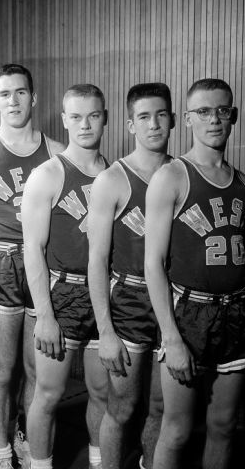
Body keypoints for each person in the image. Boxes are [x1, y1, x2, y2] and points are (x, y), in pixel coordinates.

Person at [144, 78, 245, 469]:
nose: (214, 119)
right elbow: (154, 264)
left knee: (223, 426)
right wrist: (172, 337)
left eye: (222, 111)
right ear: (187, 119)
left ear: (233, 117)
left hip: (238, 315)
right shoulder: (172, 176)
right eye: (203, 111)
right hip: (190, 316)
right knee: (178, 429)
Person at [0, 64, 65, 469]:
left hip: (41, 265)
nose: (13, 101)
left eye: (21, 92)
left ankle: (24, 437)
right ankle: (0, 451)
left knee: (36, 373)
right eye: (4, 94)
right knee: (2, 372)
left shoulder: (55, 151)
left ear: (34, 98)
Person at [87, 83, 175, 469]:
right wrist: (104, 331)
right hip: (129, 301)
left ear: (173, 119)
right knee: (122, 407)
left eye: (160, 115)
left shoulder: (182, 175)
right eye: (144, 117)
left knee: (161, 407)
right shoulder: (113, 179)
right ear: (129, 125)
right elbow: (97, 261)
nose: (153, 124)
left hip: (174, 301)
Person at [22, 84, 110, 469]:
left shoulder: (115, 173)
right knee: (48, 393)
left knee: (103, 391)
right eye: (76, 117)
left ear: (104, 117)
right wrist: (44, 315)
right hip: (64, 294)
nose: (85, 124)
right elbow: (32, 250)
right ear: (64, 120)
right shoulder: (48, 174)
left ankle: (97, 461)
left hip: (105, 294)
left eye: (93, 115)